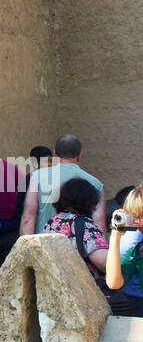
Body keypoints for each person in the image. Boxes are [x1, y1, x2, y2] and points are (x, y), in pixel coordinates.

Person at [19, 134, 106, 237]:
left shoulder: (37, 177)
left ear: (55, 154)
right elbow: (99, 224)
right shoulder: (95, 183)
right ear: (79, 156)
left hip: (44, 247)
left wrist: (25, 248)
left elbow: (28, 219)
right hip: (80, 249)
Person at [42, 177, 108, 286]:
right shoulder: (84, 224)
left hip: (58, 287)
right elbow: (104, 263)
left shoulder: (51, 223)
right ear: (89, 202)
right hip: (83, 289)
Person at [105, 184, 143, 318]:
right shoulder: (137, 249)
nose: (141, 223)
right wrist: (115, 235)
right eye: (137, 217)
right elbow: (114, 283)